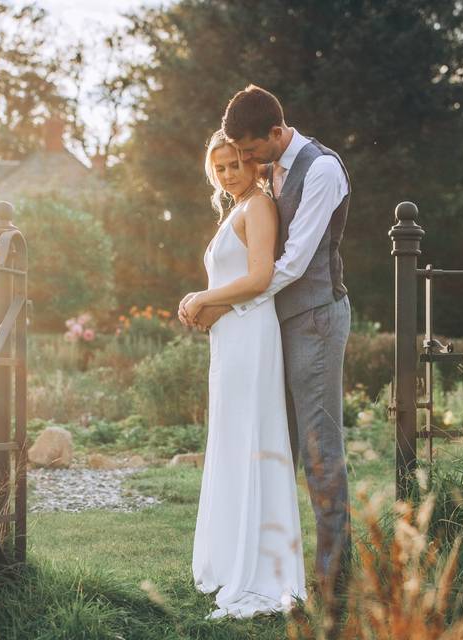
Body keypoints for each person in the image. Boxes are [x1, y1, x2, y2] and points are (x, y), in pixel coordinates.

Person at [182, 85, 353, 610]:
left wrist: (224, 302)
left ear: (276, 133)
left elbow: (295, 262)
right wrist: (238, 307)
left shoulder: (321, 170)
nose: (246, 164)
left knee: (319, 449)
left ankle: (333, 583)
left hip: (315, 319)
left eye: (251, 153)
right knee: (272, 443)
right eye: (235, 158)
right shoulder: (271, 171)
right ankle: (264, 558)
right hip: (272, 324)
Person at [181, 128, 306, 620]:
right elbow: (231, 282)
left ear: (254, 163)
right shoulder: (235, 210)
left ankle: (261, 572)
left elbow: (259, 278)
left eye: (235, 163)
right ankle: (230, 555)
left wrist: (202, 299)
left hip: (252, 335)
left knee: (253, 438)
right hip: (230, 337)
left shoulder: (259, 206)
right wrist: (206, 306)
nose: (228, 173)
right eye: (219, 167)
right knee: (231, 441)